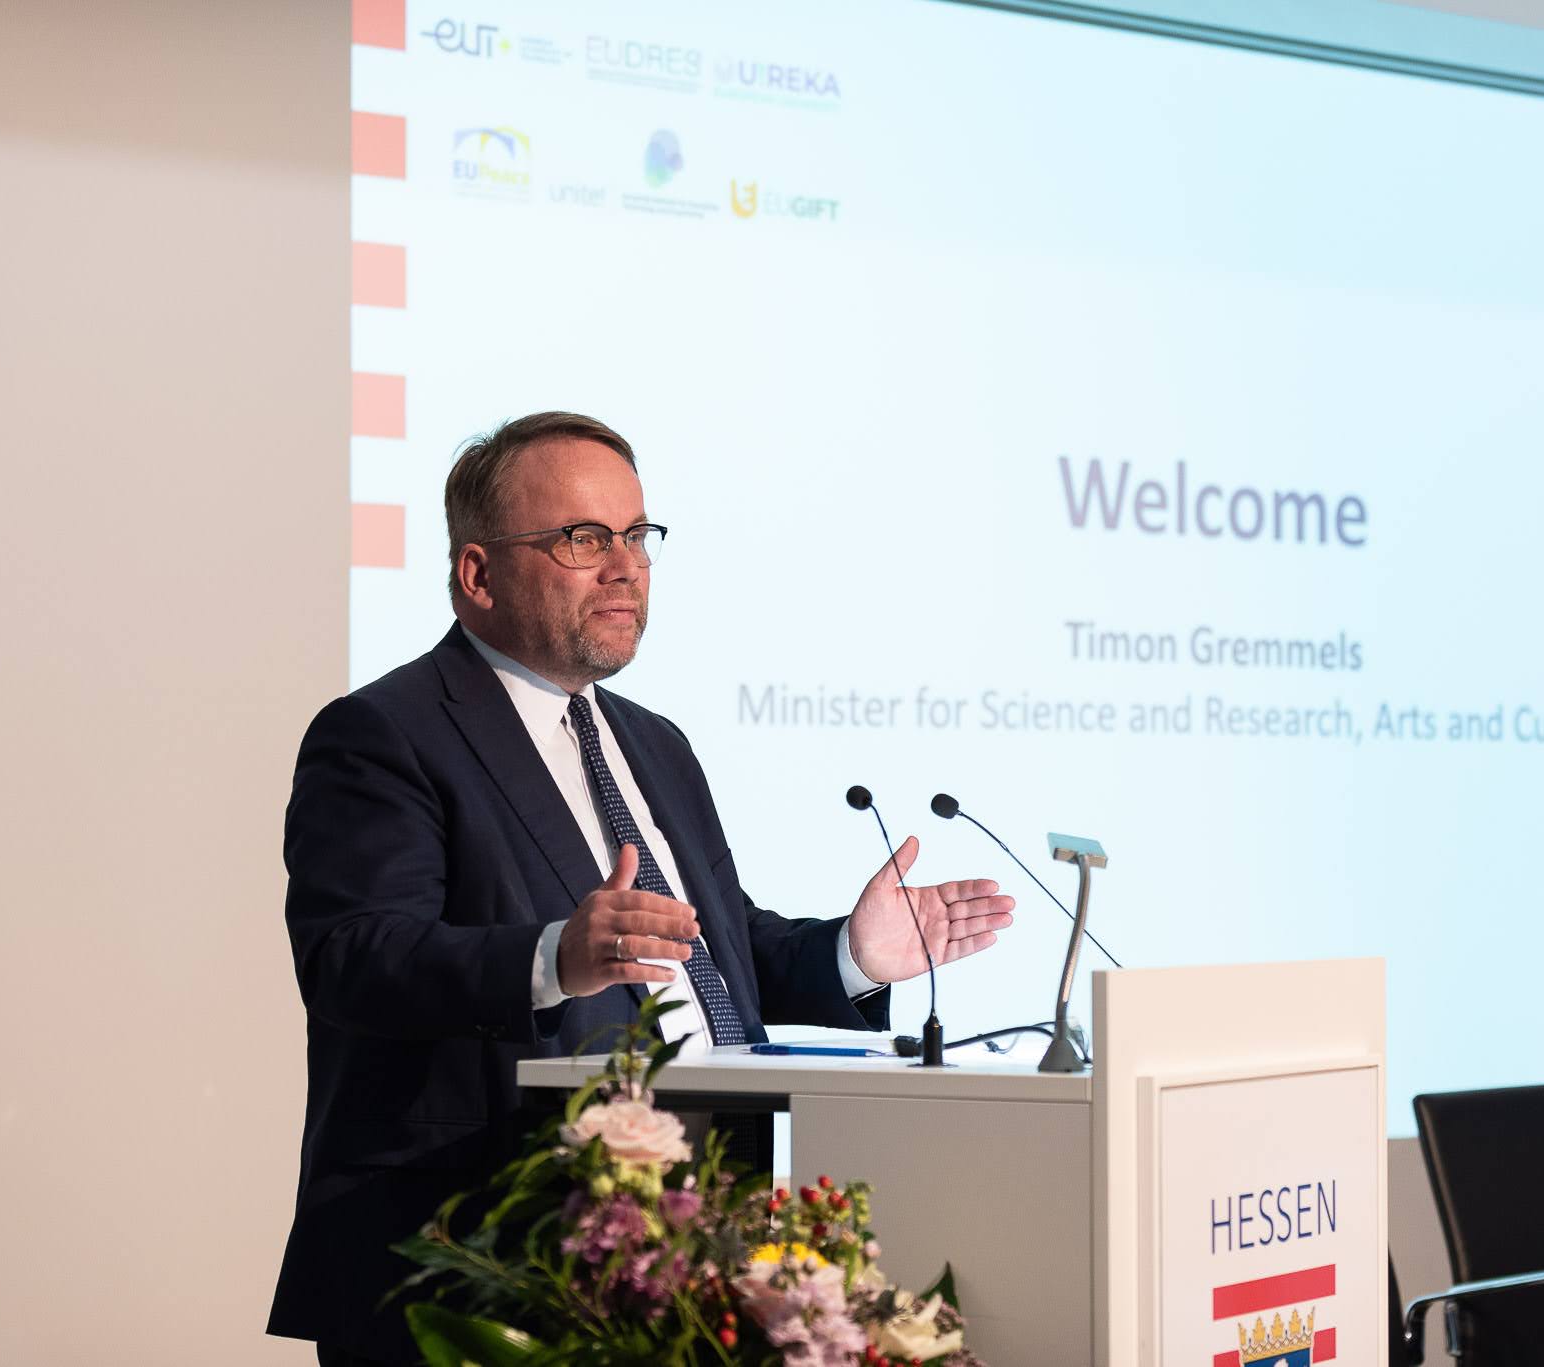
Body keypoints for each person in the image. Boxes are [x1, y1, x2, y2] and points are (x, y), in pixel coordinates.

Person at [266, 411, 1016, 1365]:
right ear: (478, 573)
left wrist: (852, 954)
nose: (623, 564)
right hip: (477, 1259)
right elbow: (354, 958)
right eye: (583, 538)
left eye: (635, 534)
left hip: (693, 1248)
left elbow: (711, 947)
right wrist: (552, 955)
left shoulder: (652, 741)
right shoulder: (385, 733)